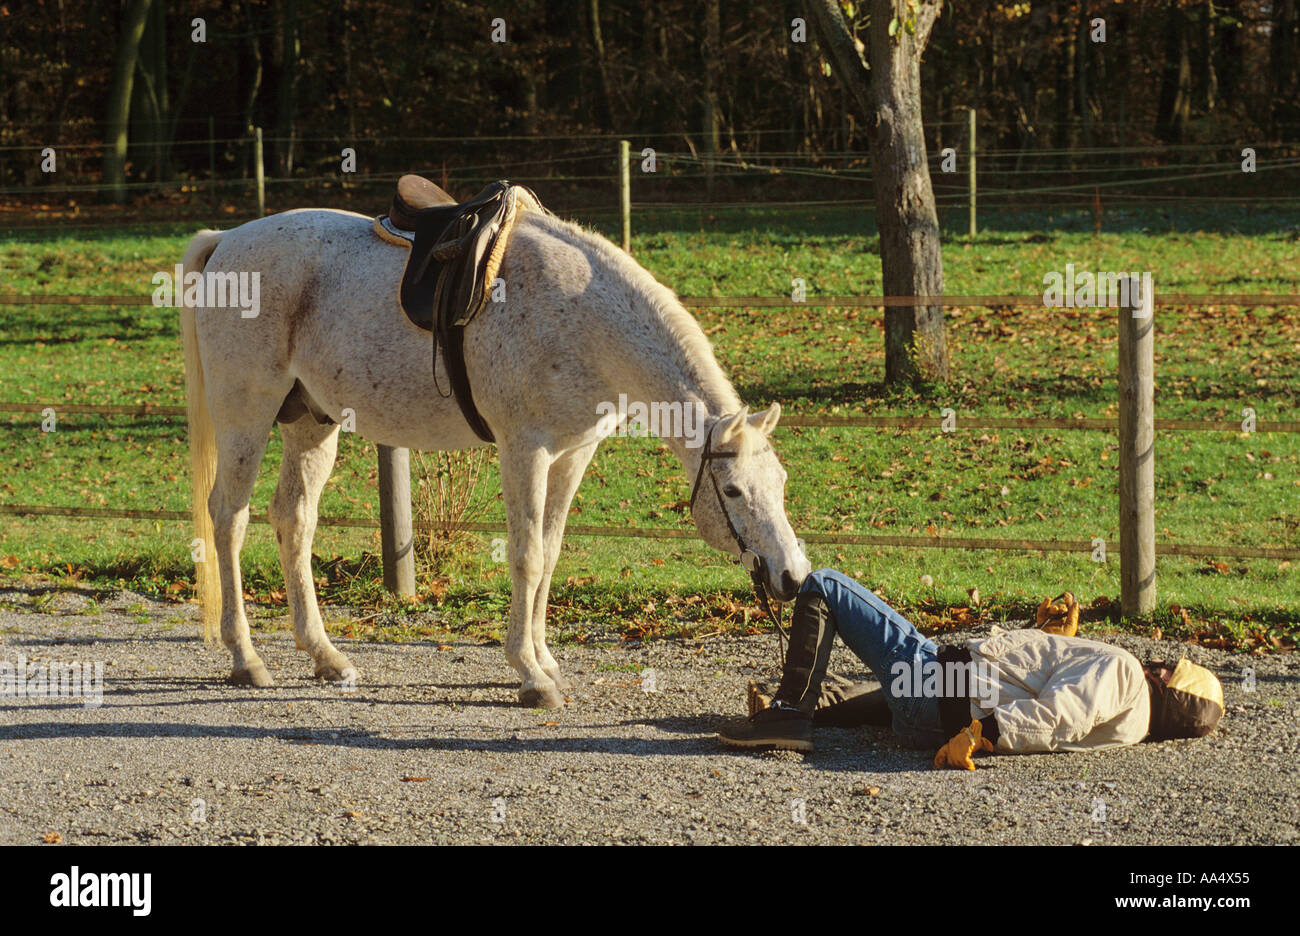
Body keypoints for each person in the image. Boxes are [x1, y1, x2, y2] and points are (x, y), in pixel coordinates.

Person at [717, 569, 1225, 767]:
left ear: (1166, 679)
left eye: (1167, 665)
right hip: (932, 718)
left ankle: (788, 714)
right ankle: (821, 701)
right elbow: (1030, 685)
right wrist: (1051, 642)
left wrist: (984, 736)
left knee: (825, 584)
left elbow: (1058, 714)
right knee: (900, 682)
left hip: (944, 691)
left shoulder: (1123, 673)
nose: (1158, 662)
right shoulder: (1132, 726)